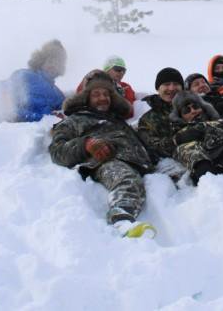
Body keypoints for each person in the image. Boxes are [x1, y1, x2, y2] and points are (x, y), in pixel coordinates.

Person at [49, 71, 154, 236]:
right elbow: (57, 151)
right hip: (106, 161)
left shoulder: (118, 121)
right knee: (126, 178)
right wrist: (86, 145)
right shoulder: (74, 120)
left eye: (106, 94)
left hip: (139, 162)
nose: (102, 98)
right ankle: (122, 221)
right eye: (96, 94)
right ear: (86, 97)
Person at [0, 39, 66, 122]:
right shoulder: (25, 75)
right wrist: (10, 109)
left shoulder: (58, 95)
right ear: (41, 60)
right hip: (12, 124)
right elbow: (0, 89)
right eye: (50, 60)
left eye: (58, 62)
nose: (53, 65)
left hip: (38, 127)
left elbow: (64, 112)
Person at [137, 68, 184, 162]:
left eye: (176, 84)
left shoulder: (196, 108)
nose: (171, 88)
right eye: (166, 84)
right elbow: (151, 147)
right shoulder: (147, 119)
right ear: (158, 88)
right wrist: (179, 139)